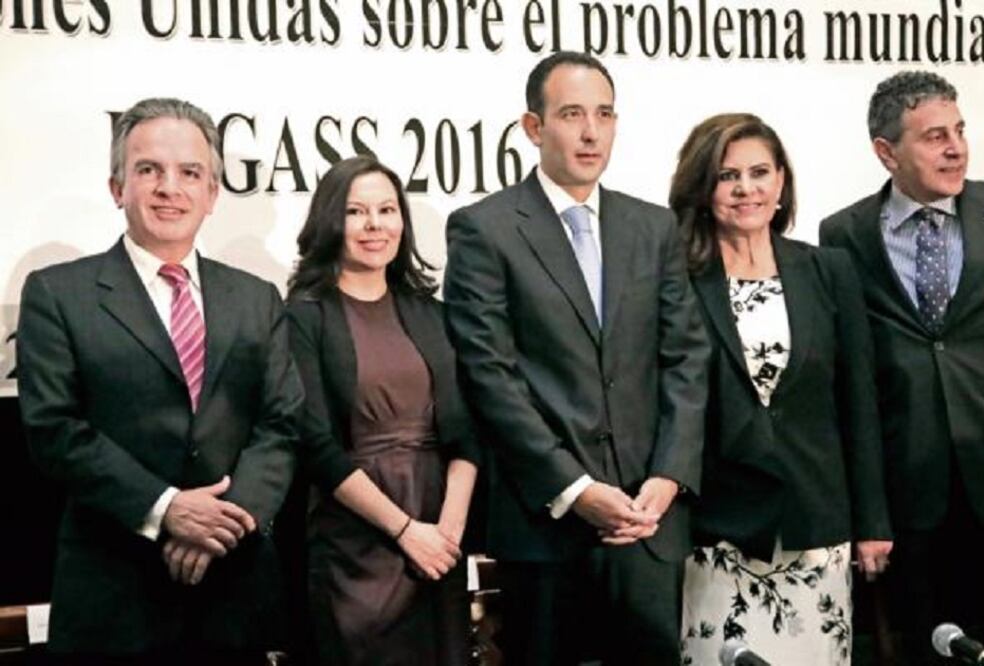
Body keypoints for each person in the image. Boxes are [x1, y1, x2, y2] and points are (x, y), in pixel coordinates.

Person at [443, 51, 710, 665]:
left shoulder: (652, 227)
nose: (591, 131)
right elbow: (489, 377)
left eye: (604, 114)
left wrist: (666, 480)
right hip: (547, 526)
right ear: (534, 128)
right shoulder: (484, 229)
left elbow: (687, 359)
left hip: (648, 524)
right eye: (571, 114)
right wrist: (575, 487)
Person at [16, 98, 302, 664]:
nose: (170, 187)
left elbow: (281, 425)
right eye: (149, 170)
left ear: (213, 194)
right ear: (117, 187)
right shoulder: (57, 294)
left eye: (190, 173)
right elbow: (55, 430)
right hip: (113, 596)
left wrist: (224, 524)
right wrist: (167, 508)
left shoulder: (256, 298)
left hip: (232, 592)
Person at [820, 71, 984, 666]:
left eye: (959, 131)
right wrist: (869, 511)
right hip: (915, 502)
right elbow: (853, 384)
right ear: (887, 152)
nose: (956, 147)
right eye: (934, 136)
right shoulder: (844, 235)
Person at [669, 114, 893, 666]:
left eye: (759, 172)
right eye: (728, 176)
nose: (747, 189)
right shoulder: (675, 276)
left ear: (782, 180)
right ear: (703, 189)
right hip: (718, 532)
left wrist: (873, 523)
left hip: (816, 524)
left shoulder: (828, 269)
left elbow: (858, 403)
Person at [286, 155, 479, 666]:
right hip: (356, 536)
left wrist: (448, 533)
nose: (375, 225)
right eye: (356, 212)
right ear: (331, 222)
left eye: (387, 210)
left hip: (440, 533)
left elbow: (465, 434)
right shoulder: (304, 317)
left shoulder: (432, 313)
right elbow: (316, 446)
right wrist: (403, 530)